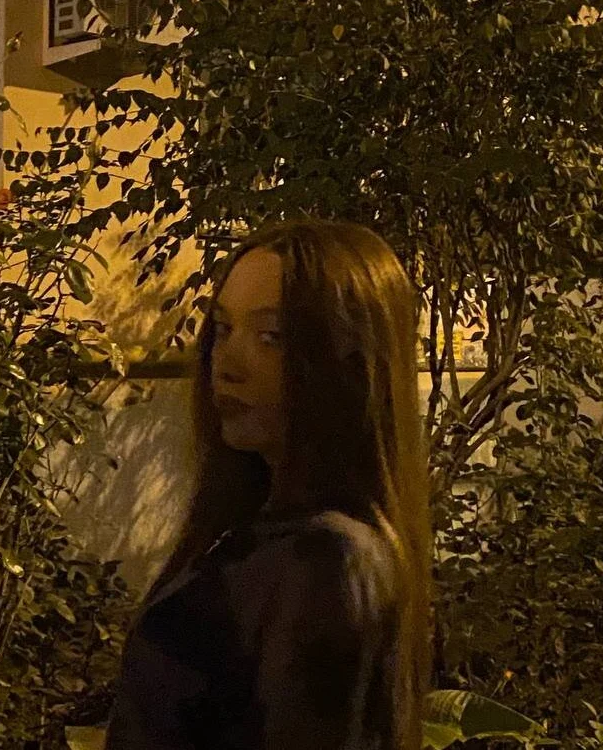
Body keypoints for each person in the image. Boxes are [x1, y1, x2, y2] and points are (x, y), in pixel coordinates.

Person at [105, 219, 431, 750]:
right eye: (223, 329)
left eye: (271, 337)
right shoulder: (261, 529)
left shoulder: (328, 560)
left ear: (346, 362)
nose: (227, 364)